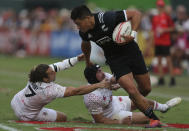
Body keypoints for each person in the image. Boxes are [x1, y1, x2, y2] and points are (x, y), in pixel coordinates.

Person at [71, 5, 161, 128]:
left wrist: (133, 34)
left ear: (87, 18)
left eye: (78, 23)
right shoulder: (84, 32)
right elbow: (85, 44)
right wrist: (87, 61)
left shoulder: (106, 18)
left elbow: (136, 14)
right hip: (115, 60)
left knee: (145, 89)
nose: (78, 27)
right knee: (131, 90)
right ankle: (153, 119)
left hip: (132, 52)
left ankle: (130, 105)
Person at [11, 54, 111, 122]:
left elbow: (60, 65)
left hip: (16, 101)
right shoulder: (49, 91)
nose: (54, 72)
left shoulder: (35, 75)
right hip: (26, 114)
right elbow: (77, 91)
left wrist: (77, 58)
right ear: (45, 79)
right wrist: (98, 85)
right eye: (51, 73)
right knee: (63, 117)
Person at [83, 64, 182, 125]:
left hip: (115, 102)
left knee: (140, 99)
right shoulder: (92, 97)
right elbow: (100, 120)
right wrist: (120, 122)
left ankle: (164, 107)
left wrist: (120, 83)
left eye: (101, 69)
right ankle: (134, 123)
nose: (103, 72)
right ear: (93, 77)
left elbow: (118, 79)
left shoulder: (105, 77)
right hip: (111, 115)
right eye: (98, 72)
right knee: (147, 117)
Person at [152, 0, 175, 86]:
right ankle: (161, 78)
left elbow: (173, 28)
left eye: (161, 6)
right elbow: (153, 30)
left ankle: (172, 78)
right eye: (159, 6)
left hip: (165, 42)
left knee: (168, 60)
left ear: (163, 7)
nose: (160, 8)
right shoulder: (155, 18)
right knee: (159, 61)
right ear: (157, 6)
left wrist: (164, 30)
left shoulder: (167, 17)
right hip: (158, 42)